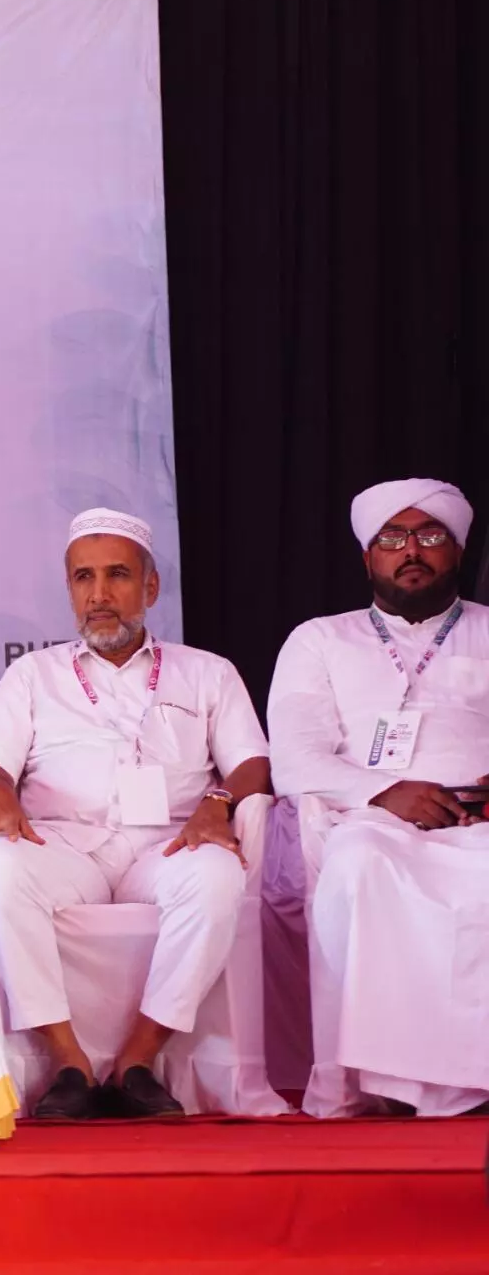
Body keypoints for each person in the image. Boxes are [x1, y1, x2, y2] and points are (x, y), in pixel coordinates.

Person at [0, 509, 270, 1119]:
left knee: (217, 875)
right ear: (70, 588)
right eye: (84, 577)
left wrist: (218, 803)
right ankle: (68, 1063)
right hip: (63, 847)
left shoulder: (207, 672)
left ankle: (137, 1060)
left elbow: (253, 765)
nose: (99, 594)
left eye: (117, 575)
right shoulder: (33, 675)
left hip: (166, 847)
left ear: (150, 587)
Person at [269, 477, 489, 1117]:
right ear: (368, 558)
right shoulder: (320, 639)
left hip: (478, 821)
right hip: (372, 821)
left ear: (458, 550)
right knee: (359, 865)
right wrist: (386, 793)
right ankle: (382, 1083)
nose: (410, 550)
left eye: (429, 536)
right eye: (392, 539)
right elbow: (294, 757)